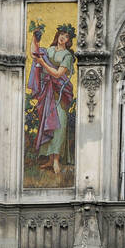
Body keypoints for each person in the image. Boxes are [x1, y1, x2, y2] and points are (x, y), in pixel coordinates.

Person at [28, 24, 76, 175]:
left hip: (60, 93)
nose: (63, 37)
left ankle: (56, 160)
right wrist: (35, 39)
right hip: (48, 92)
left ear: (69, 40)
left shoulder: (67, 56)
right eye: (61, 34)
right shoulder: (49, 50)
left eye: (66, 36)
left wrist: (43, 63)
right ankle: (49, 159)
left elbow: (57, 74)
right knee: (48, 123)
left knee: (59, 124)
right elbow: (34, 54)